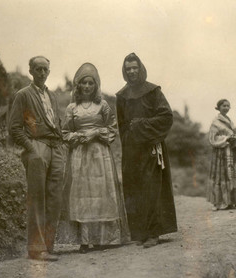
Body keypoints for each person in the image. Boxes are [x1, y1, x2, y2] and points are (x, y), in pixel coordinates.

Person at [59, 63, 130, 253]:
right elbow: (65, 132)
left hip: (100, 154)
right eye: (84, 83)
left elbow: (113, 128)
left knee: (101, 194)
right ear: (78, 86)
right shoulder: (72, 108)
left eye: (91, 83)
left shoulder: (103, 105)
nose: (88, 87)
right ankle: (84, 240)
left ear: (96, 85)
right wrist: (79, 137)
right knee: (82, 196)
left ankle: (102, 238)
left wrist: (97, 133)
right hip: (80, 155)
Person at [115, 52, 177, 248]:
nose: (132, 71)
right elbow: (122, 125)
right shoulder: (122, 96)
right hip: (132, 150)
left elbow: (166, 116)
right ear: (124, 71)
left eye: (135, 67)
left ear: (140, 68)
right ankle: (139, 232)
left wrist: (142, 126)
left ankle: (153, 233)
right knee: (134, 189)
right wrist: (129, 140)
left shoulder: (153, 91)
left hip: (151, 147)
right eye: (128, 69)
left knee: (152, 189)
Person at [9, 56, 64, 261]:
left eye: (45, 70)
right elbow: (14, 128)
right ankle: (36, 248)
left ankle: (48, 245)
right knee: (37, 198)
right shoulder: (23, 95)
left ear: (49, 72)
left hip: (55, 147)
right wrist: (32, 148)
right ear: (31, 71)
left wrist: (61, 143)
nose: (42, 73)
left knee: (55, 198)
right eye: (38, 69)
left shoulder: (53, 96)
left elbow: (55, 123)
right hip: (37, 146)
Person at [206, 99, 236, 210]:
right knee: (221, 175)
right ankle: (219, 202)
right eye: (224, 106)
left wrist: (235, 136)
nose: (226, 108)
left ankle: (230, 200)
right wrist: (226, 138)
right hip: (221, 151)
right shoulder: (215, 122)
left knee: (231, 174)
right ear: (218, 107)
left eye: (228, 106)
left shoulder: (229, 120)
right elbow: (212, 138)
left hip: (230, 150)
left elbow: (230, 133)